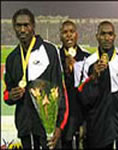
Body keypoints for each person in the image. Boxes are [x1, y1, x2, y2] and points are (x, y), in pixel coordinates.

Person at [3, 8, 68, 149]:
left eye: (26, 25)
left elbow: (61, 91)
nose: (22, 29)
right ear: (14, 28)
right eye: (18, 26)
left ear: (33, 26)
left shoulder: (50, 51)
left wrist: (59, 127)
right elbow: (6, 95)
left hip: (48, 129)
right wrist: (12, 96)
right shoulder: (12, 58)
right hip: (25, 129)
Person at [78, 21, 118, 149]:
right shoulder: (89, 63)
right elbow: (84, 100)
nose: (106, 38)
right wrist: (94, 78)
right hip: (98, 132)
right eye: (103, 34)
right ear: (97, 36)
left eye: (110, 34)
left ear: (114, 36)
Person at [49, 20, 90, 149]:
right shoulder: (54, 59)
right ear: (60, 36)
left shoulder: (87, 58)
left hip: (81, 115)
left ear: (77, 35)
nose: (68, 35)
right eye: (65, 32)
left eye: (72, 32)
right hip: (60, 118)